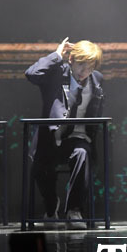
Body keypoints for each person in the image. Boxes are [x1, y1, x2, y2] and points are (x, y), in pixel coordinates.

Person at [25, 38, 104, 230]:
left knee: (82, 154)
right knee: (40, 169)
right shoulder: (56, 74)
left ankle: (74, 210)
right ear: (71, 60)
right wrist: (56, 55)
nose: (84, 71)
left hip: (77, 138)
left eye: (89, 67)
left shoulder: (96, 80)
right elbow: (31, 74)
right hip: (51, 138)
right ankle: (51, 205)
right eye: (81, 65)